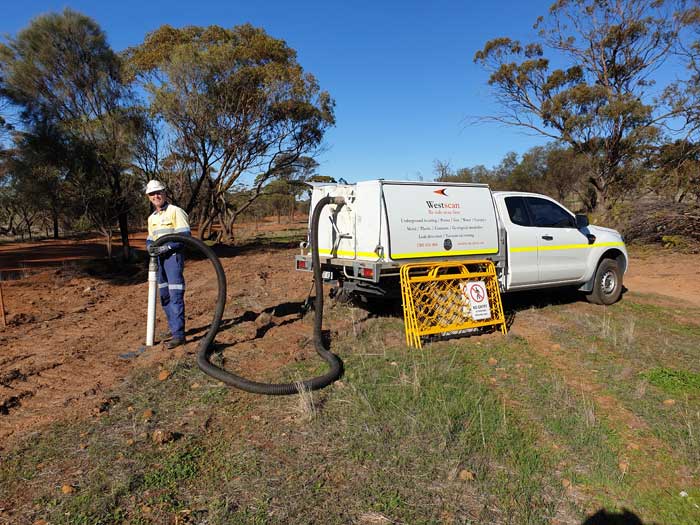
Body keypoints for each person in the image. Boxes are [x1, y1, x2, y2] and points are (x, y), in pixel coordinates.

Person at [145, 180, 191, 349]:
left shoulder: (175, 211)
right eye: (152, 194)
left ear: (164, 193)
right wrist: (150, 248)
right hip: (158, 261)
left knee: (175, 295)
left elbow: (185, 236)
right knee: (164, 296)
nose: (156, 196)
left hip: (173, 259)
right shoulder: (152, 218)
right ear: (149, 197)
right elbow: (150, 239)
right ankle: (174, 329)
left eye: (158, 192)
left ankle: (179, 335)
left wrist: (165, 247)